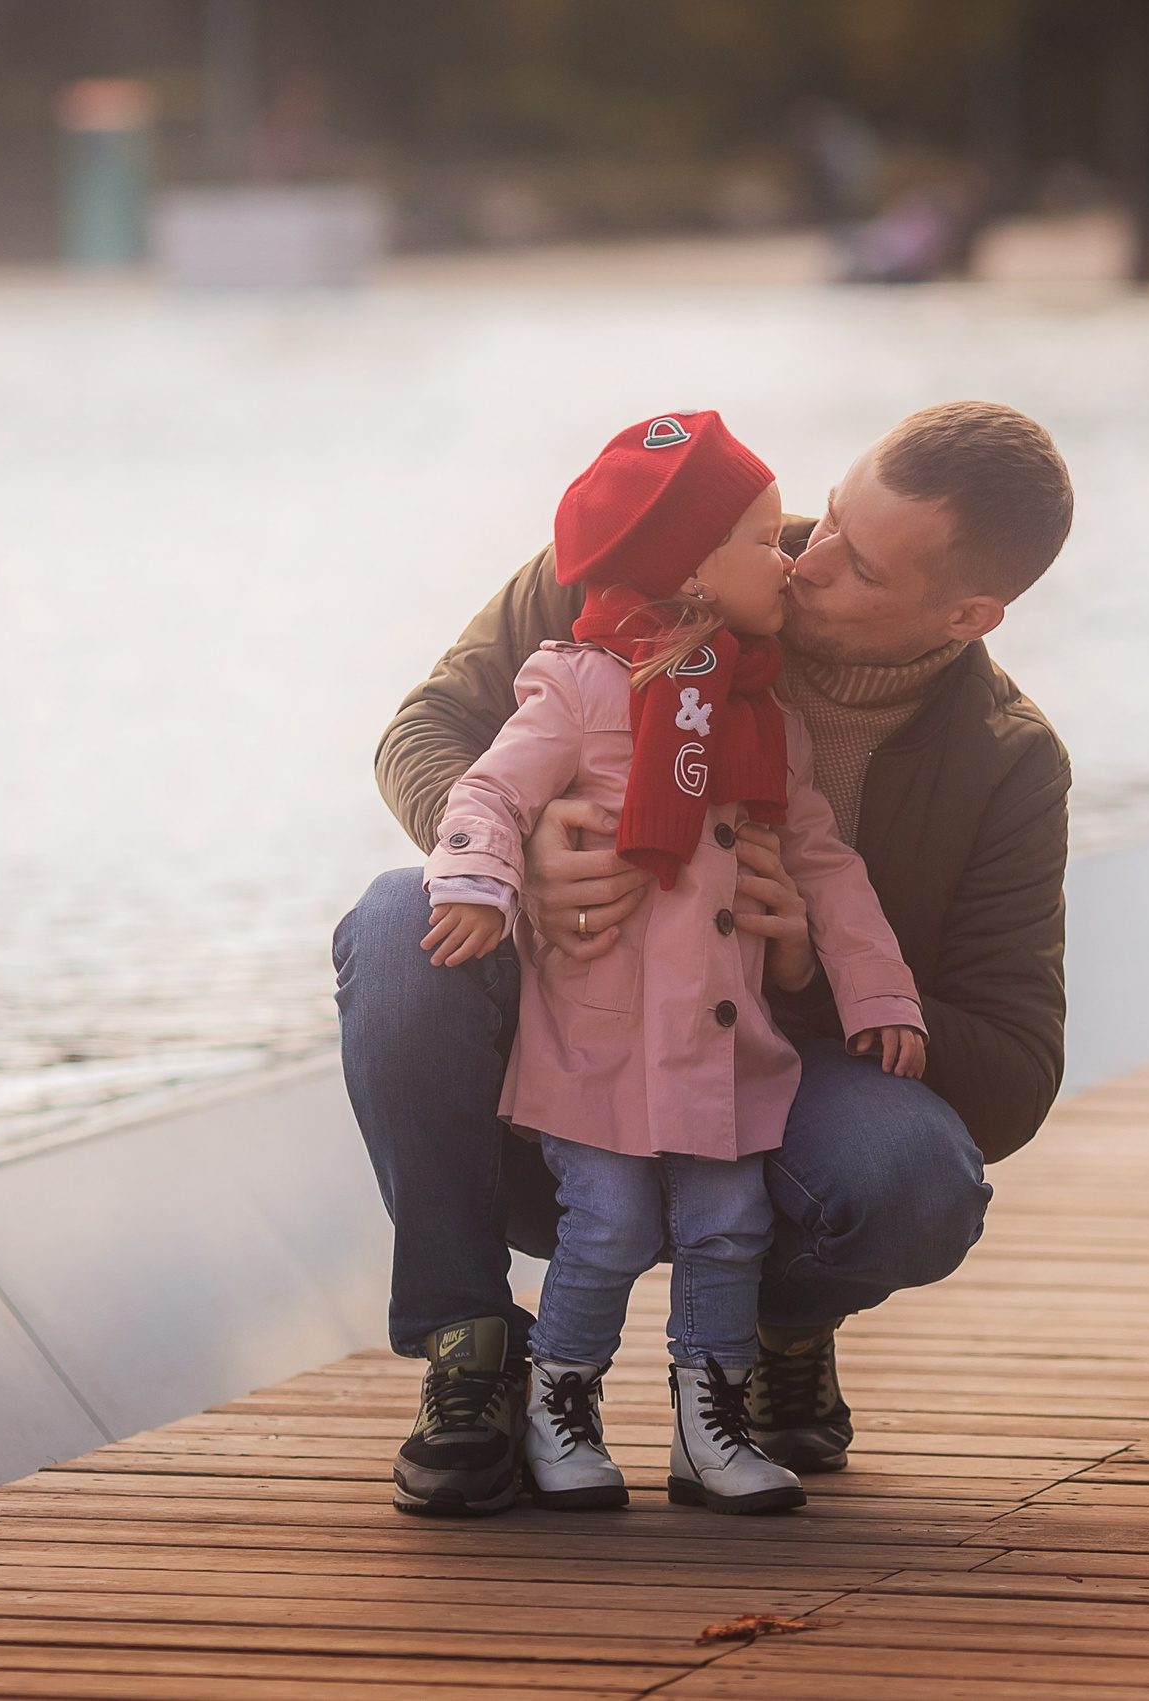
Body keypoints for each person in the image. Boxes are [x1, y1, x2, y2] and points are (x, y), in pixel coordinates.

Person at [334, 399, 1074, 1517]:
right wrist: (523, 854)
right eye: (825, 521)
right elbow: (425, 729)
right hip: (577, 1050)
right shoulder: (664, 555)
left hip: (768, 1080)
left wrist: (806, 966)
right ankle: (470, 1348)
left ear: (967, 615)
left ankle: (779, 1319)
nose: (804, 563)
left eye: (860, 567)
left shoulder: (1008, 763)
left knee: (915, 1184)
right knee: (399, 924)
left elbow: (1014, 1075)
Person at [415, 411, 924, 1515]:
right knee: (609, 1225)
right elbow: (490, 788)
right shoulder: (581, 682)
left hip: (718, 1043)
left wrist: (879, 991)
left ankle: (709, 1424)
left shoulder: (761, 715)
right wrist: (477, 880)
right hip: (596, 1041)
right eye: (758, 537)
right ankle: (562, 1399)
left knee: (728, 1226)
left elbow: (826, 867)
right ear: (687, 567)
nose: (786, 555)